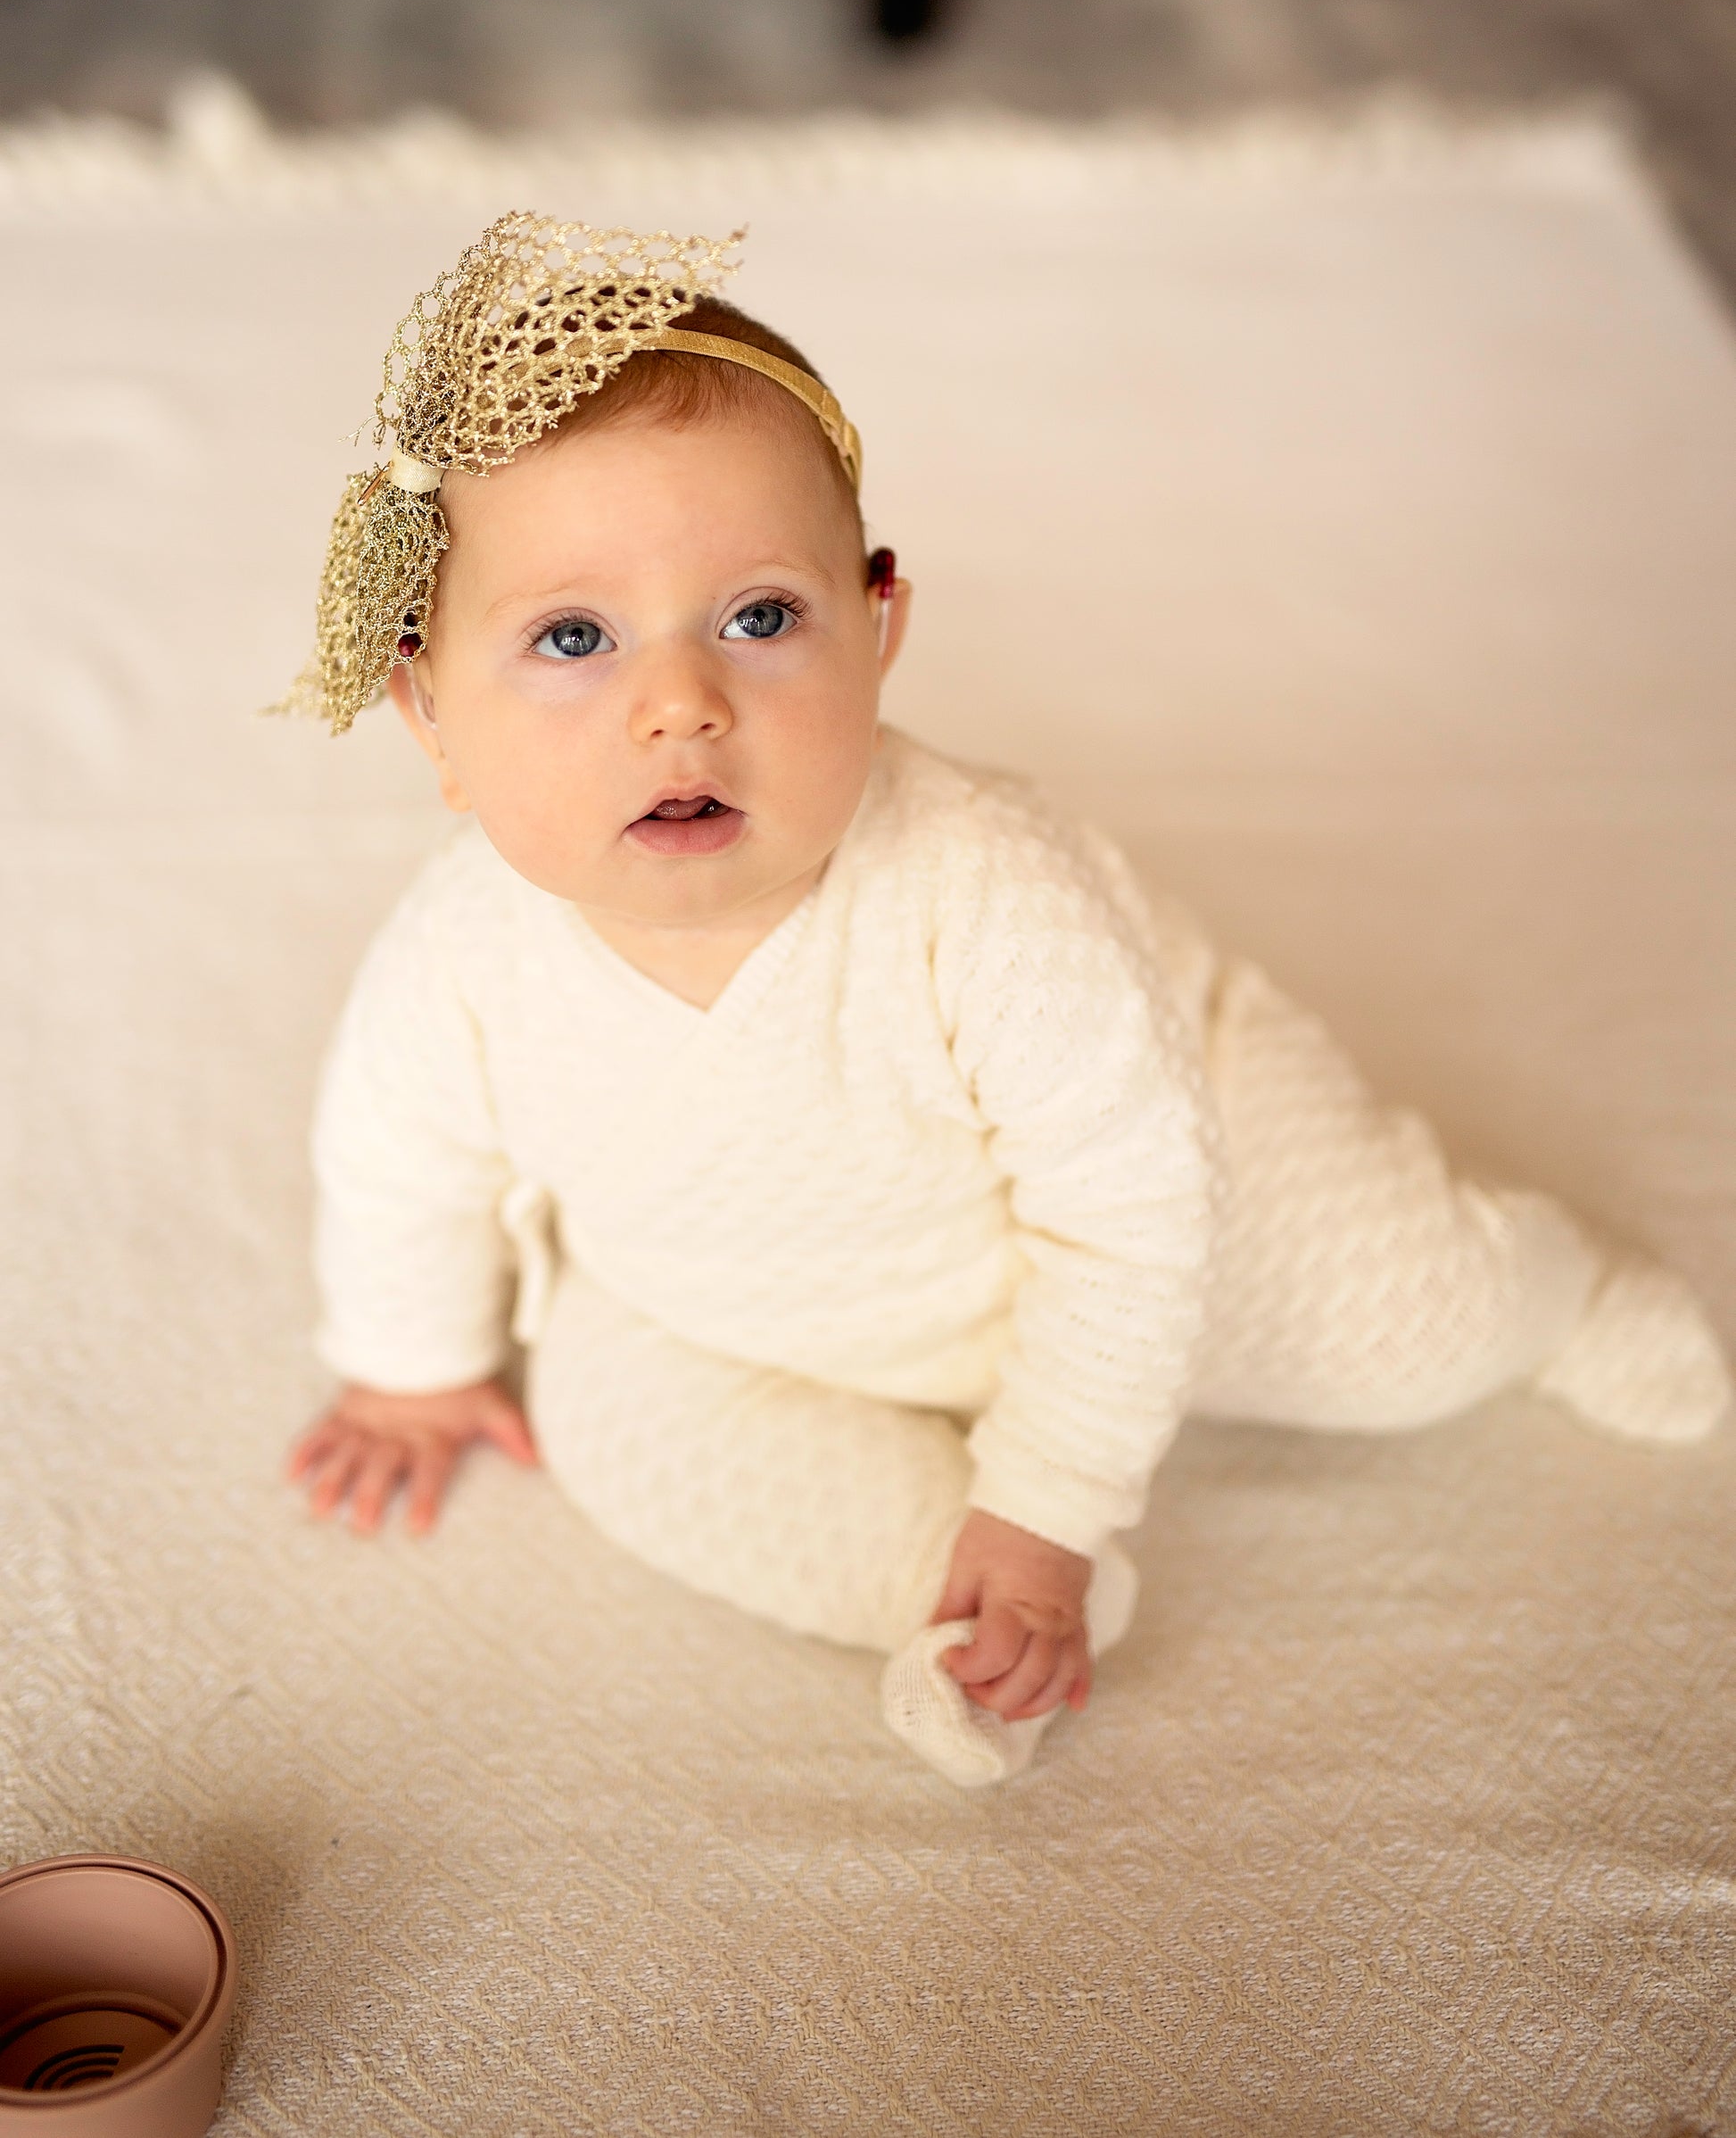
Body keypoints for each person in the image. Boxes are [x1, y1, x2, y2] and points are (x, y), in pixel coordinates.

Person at [283, 213, 1730, 1788]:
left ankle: (1549, 1294)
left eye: (760, 618)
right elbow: (399, 1158)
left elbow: (1129, 1212)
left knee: (1402, 1327)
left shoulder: (981, 886)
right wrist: (411, 1360)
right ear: (433, 714)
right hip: (723, 1300)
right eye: (573, 637)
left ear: (878, 631)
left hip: (1133, 1202)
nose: (680, 704)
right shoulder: (463, 950)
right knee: (617, 1430)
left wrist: (1050, 1493)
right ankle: (981, 1611)